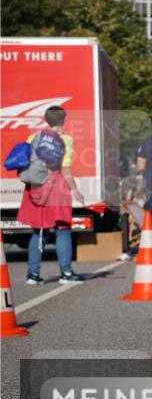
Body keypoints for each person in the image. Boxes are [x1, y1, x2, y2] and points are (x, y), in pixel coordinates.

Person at [18, 105, 85, 284]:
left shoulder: (33, 137)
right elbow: (66, 167)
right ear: (63, 120)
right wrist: (75, 189)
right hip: (57, 187)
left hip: (36, 187)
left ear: (46, 119)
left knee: (39, 231)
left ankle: (33, 275)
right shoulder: (65, 139)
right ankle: (66, 273)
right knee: (63, 230)